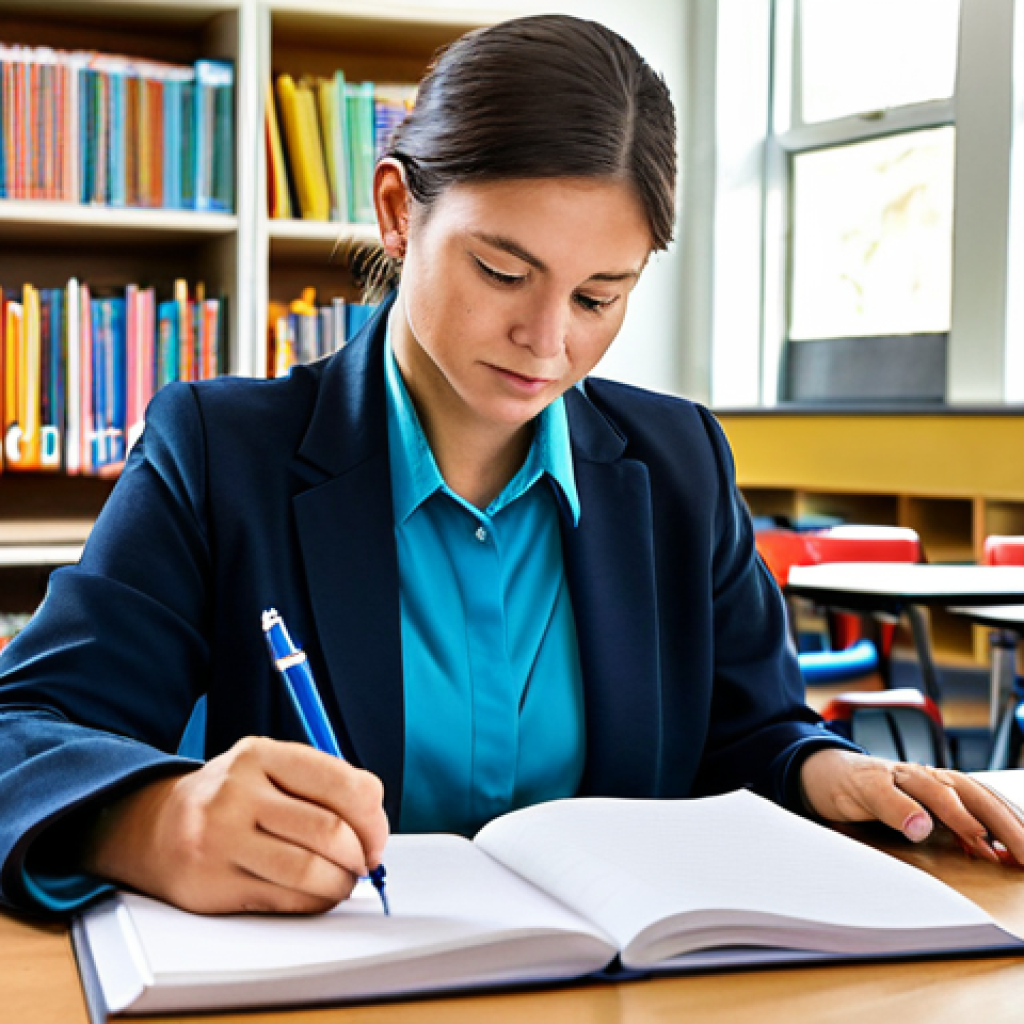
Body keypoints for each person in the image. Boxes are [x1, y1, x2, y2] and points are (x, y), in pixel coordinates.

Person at [0, 14, 1021, 919]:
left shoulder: (678, 463)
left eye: (599, 296)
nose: (547, 341)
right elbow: (21, 731)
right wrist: (154, 822)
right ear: (397, 211)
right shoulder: (221, 454)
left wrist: (821, 771)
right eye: (502, 270)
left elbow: (749, 733)